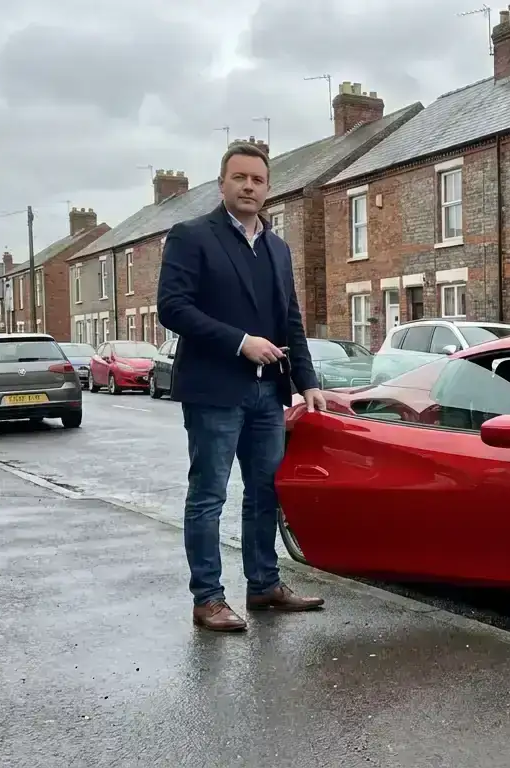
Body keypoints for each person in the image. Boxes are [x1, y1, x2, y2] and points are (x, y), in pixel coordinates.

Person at [157, 141, 327, 632]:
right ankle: (207, 598)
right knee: (209, 496)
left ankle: (264, 585)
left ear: (267, 188)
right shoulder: (191, 236)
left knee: (265, 492)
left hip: (268, 394)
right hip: (214, 390)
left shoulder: (277, 247)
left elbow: (290, 319)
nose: (249, 186)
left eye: (257, 179)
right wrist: (240, 343)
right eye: (240, 178)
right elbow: (173, 308)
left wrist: (307, 380)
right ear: (222, 183)